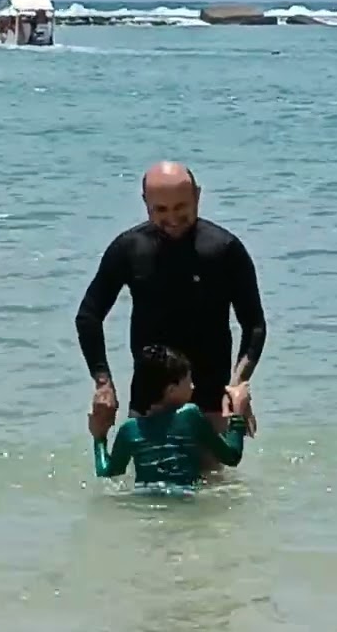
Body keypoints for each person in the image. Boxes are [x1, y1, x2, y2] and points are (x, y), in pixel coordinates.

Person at [75, 161, 267, 469]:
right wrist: (103, 384)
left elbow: (254, 324)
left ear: (197, 196)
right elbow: (89, 316)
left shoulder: (225, 249)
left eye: (181, 207)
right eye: (160, 209)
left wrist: (237, 384)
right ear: (145, 203)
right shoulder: (129, 248)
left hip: (210, 398)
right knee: (147, 494)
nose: (173, 218)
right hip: (148, 403)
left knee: (212, 493)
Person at [89, 345, 250, 491]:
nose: (193, 386)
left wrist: (99, 438)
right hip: (187, 499)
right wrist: (238, 412)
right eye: (188, 381)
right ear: (172, 390)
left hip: (145, 502)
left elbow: (108, 474)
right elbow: (232, 457)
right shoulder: (191, 416)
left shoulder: (129, 430)